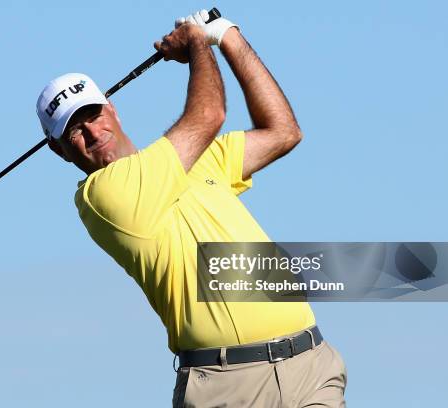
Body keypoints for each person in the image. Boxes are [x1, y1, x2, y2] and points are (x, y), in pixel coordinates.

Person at [36, 9, 347, 408]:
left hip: (310, 365)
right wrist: (198, 43)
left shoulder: (192, 159)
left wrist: (229, 37)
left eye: (94, 115)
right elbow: (209, 115)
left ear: (111, 107)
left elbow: (283, 132)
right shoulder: (103, 195)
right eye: (74, 130)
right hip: (226, 385)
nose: (94, 133)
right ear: (58, 150)